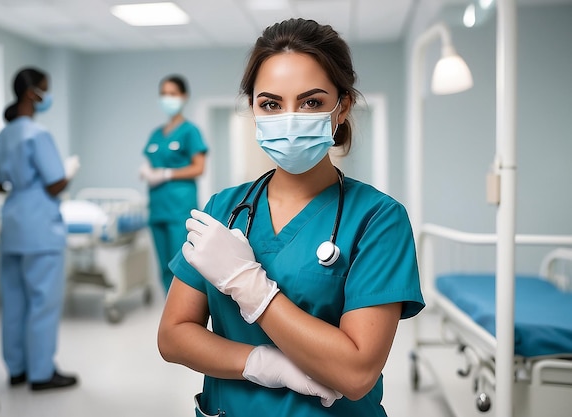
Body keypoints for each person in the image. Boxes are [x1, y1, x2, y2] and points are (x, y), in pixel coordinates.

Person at [157, 18, 425, 416]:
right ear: (253, 108)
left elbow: (355, 372)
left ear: (343, 106)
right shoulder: (222, 209)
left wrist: (250, 287)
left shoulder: (378, 219)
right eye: (270, 104)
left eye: (312, 102)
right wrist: (261, 363)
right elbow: (173, 337)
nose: (290, 118)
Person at [0, 67, 80, 391]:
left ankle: (17, 369)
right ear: (33, 94)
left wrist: (21, 184)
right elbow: (55, 185)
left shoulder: (4, 134)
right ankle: (41, 373)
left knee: (13, 301)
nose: (47, 96)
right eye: (45, 89)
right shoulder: (37, 135)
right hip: (39, 227)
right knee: (43, 302)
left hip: (13, 225)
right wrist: (68, 171)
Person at [139, 74, 208, 294]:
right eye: (163, 94)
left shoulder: (190, 131)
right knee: (163, 266)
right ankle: (169, 309)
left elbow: (199, 167)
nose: (167, 98)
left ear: (183, 96)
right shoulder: (156, 134)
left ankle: (183, 310)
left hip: (179, 208)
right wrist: (146, 171)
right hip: (157, 208)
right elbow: (150, 164)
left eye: (172, 94)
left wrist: (166, 174)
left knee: (181, 264)